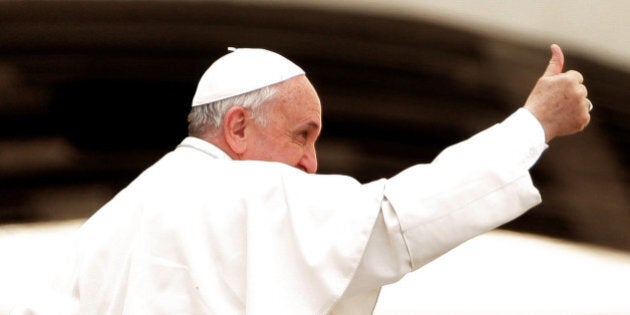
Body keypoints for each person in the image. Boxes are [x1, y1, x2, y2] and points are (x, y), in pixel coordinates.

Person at [15, 44, 590, 314]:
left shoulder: (106, 225)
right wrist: (533, 126)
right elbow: (403, 217)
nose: (311, 164)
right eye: (301, 135)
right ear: (237, 128)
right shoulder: (248, 191)